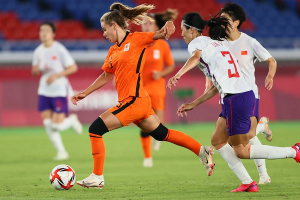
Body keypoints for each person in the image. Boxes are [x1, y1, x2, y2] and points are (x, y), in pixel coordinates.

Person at [71, 3, 215, 189]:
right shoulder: (113, 51)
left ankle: (97, 176)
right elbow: (107, 75)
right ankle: (201, 150)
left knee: (95, 129)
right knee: (163, 134)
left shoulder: (137, 38)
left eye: (105, 29)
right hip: (139, 102)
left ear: (115, 25)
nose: (104, 34)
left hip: (134, 100)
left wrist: (168, 26)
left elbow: (160, 35)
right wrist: (85, 93)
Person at [167, 12, 300, 192]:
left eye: (183, 30)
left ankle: (293, 151)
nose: (181, 34)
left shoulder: (196, 43)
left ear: (191, 30)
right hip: (240, 95)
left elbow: (195, 57)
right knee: (218, 140)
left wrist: (178, 74)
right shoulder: (215, 44)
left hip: (235, 98)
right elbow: (216, 86)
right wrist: (194, 104)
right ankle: (247, 182)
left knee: (242, 150)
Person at [217, 2, 276, 184]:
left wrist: (270, 75)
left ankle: (261, 127)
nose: (221, 22)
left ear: (235, 22)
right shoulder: (219, 44)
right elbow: (214, 67)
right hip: (227, 96)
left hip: (249, 95)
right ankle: (263, 175)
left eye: (225, 19)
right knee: (242, 139)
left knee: (248, 136)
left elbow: (271, 60)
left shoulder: (249, 42)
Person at [32, 21, 83, 161]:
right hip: (44, 90)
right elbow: (35, 70)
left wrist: (56, 75)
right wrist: (36, 70)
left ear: (53, 34)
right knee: (48, 124)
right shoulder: (38, 51)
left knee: (56, 125)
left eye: (47, 30)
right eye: (41, 30)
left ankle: (72, 121)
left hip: (59, 90)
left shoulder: (59, 49)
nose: (43, 33)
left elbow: (73, 67)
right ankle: (62, 152)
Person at [139, 9, 177, 167]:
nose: (147, 26)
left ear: (155, 26)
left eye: (150, 23)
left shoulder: (162, 45)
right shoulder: (137, 43)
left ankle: (158, 138)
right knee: (143, 122)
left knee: (159, 123)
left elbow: (171, 66)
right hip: (140, 90)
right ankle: (147, 157)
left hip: (157, 89)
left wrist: (160, 73)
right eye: (144, 23)